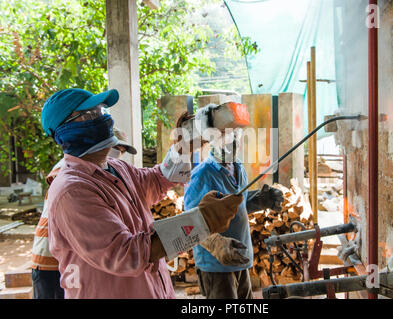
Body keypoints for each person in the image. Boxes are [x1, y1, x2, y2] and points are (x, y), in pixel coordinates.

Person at [40, 88, 242, 298]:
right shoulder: (72, 191)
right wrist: (201, 221)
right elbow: (126, 254)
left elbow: (157, 179)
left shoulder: (117, 168)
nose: (105, 119)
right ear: (65, 131)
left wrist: (184, 145)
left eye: (101, 110)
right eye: (91, 114)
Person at [31, 127, 137, 299]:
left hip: (70, 261)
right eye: (116, 149)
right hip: (50, 261)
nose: (119, 156)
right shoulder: (72, 168)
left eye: (123, 152)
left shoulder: (102, 173)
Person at [184, 118, 284, 299]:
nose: (231, 140)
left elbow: (237, 203)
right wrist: (216, 244)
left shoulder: (238, 167)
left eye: (234, 135)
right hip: (216, 266)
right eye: (224, 136)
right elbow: (189, 224)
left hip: (239, 259)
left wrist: (259, 201)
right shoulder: (202, 175)